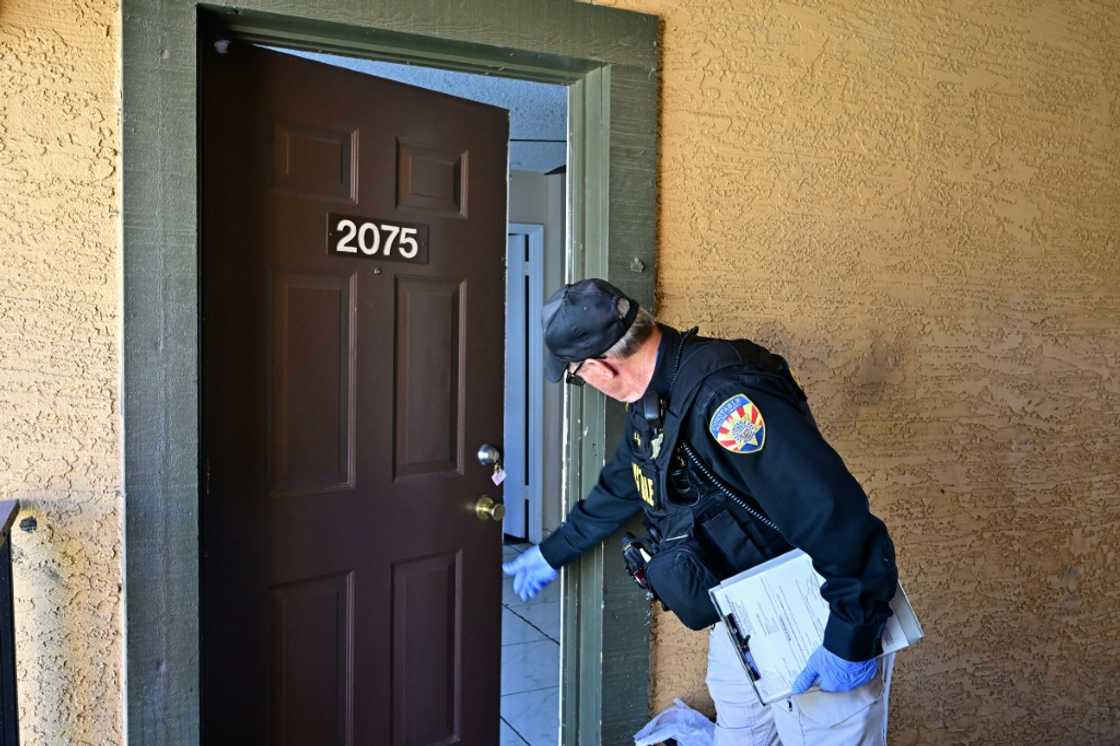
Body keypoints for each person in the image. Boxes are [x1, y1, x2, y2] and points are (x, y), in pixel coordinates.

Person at [502, 278, 899, 745]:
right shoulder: (655, 398)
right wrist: (553, 551)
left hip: (814, 614)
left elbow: (830, 512)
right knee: (741, 735)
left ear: (599, 366)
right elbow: (623, 483)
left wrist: (850, 636)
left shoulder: (726, 396)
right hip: (744, 614)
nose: (584, 384)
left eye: (575, 375)